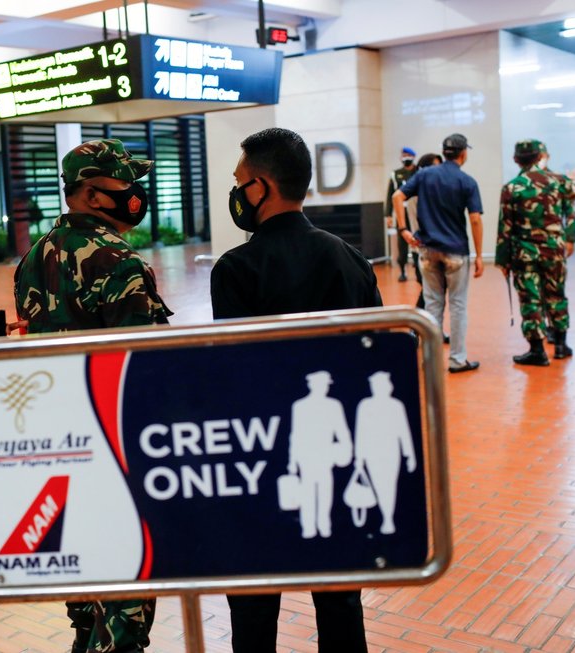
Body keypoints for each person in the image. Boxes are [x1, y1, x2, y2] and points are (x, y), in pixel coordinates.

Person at [212, 127, 378, 653]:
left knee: (255, 601)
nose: (236, 193)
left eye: (240, 182)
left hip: (261, 462)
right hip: (335, 456)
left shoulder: (236, 270)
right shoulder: (349, 259)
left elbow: (237, 373)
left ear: (260, 188)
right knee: (339, 597)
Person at [14, 138, 170, 651]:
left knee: (84, 594)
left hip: (56, 448)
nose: (135, 195)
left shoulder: (36, 255)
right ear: (91, 194)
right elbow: (143, 372)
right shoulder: (117, 262)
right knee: (125, 604)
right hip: (113, 449)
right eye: (126, 184)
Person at [393, 133, 484, 373]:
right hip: (456, 252)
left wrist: (403, 229)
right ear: (463, 154)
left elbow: (397, 195)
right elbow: (475, 219)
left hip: (428, 250)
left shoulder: (424, 175)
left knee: (432, 304)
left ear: (444, 153)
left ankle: (430, 361)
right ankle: (457, 360)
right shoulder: (467, 181)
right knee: (458, 305)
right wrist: (479, 256)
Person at [495, 139, 575, 365]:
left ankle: (537, 351)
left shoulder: (512, 188)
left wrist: (503, 261)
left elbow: (505, 227)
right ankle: (561, 345)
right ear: (540, 157)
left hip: (525, 254)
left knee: (530, 300)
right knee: (556, 295)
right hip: (554, 252)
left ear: (515, 160)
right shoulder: (558, 181)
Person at [288, 371, 353, 539]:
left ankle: (325, 526)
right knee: (307, 493)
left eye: (326, 385)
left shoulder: (333, 406)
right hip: (306, 457)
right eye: (321, 384)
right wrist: (292, 461)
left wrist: (347, 450)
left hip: (326, 456)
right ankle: (308, 527)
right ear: (311, 385)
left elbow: (342, 431)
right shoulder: (300, 406)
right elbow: (295, 435)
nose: (324, 388)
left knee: (325, 492)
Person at [354, 371, 416, 535]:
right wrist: (359, 456)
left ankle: (388, 518)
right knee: (378, 484)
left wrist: (409, 453)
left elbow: (404, 431)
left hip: (391, 449)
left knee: (389, 483)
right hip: (372, 450)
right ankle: (386, 517)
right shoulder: (365, 405)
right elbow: (360, 432)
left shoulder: (396, 405)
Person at [537, 141, 575, 345]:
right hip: (531, 246)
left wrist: (570, 239)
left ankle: (557, 331)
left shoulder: (558, 181)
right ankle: (546, 327)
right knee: (536, 291)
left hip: (554, 244)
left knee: (554, 290)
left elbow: (569, 211)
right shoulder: (525, 182)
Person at [406, 152, 443, 311]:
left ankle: (429, 328)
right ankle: (416, 326)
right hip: (422, 248)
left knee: (435, 292)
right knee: (429, 292)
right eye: (435, 167)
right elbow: (416, 226)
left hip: (437, 248)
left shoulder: (435, 191)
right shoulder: (415, 193)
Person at [384, 147, 418, 282]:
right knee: (402, 242)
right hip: (401, 211)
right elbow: (390, 195)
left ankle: (418, 269)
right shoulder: (396, 174)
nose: (405, 157)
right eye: (403, 155)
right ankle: (402, 270)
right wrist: (388, 215)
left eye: (408, 155)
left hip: (415, 210)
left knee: (416, 239)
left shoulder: (419, 172)